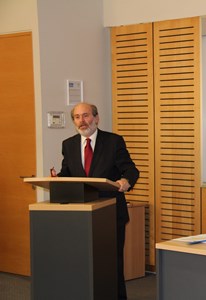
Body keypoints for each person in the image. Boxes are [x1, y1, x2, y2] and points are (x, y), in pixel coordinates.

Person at [56, 102, 139, 300]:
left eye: (85, 116)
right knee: (82, 261)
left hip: (109, 212)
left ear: (96, 118)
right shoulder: (68, 144)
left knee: (111, 262)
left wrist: (126, 180)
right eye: (77, 117)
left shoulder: (113, 141)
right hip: (81, 214)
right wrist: (55, 180)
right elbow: (67, 173)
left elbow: (130, 169)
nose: (82, 121)